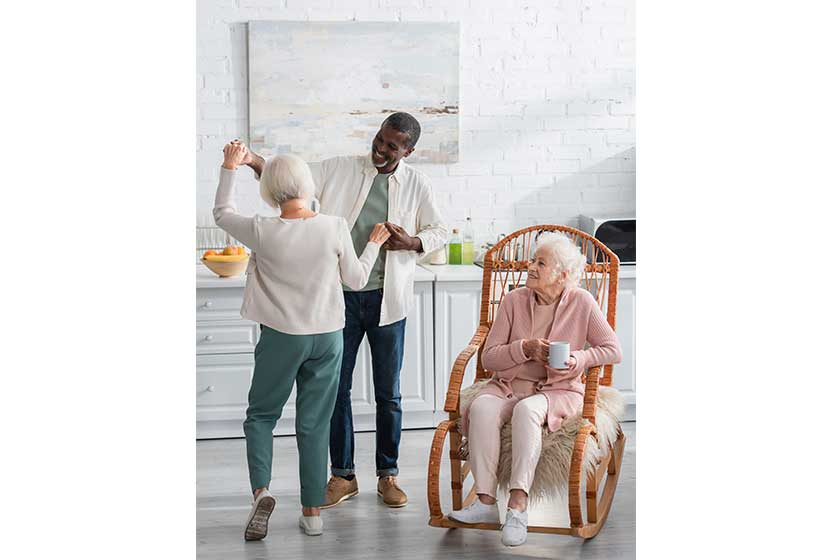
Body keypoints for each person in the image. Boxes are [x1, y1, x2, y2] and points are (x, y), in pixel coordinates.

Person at [237, 112, 447, 509]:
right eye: (380, 140)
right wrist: (251, 161)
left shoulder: (418, 184)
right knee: (336, 392)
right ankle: (343, 475)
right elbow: (287, 176)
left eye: (392, 146)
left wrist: (414, 242)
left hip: (388, 298)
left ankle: (389, 475)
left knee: (390, 394)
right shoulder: (340, 168)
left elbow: (440, 231)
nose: (381, 151)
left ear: (409, 151)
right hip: (339, 298)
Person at [213, 143, 390, 540]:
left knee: (261, 417)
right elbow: (358, 281)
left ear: (271, 190)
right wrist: (375, 242)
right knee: (314, 424)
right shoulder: (334, 226)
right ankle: (312, 514)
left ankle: (261, 492)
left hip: (281, 338)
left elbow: (222, 213)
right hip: (328, 338)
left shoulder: (261, 229)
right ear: (307, 185)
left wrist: (230, 166)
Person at [448, 232, 622, 547]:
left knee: (527, 410)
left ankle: (518, 505)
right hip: (509, 385)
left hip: (557, 393)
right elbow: (489, 356)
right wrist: (525, 348)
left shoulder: (581, 301)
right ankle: (486, 503)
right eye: (532, 260)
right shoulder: (514, 301)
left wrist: (579, 358)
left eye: (540, 263)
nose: (531, 267)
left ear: (563, 275)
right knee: (482, 408)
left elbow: (612, 349)